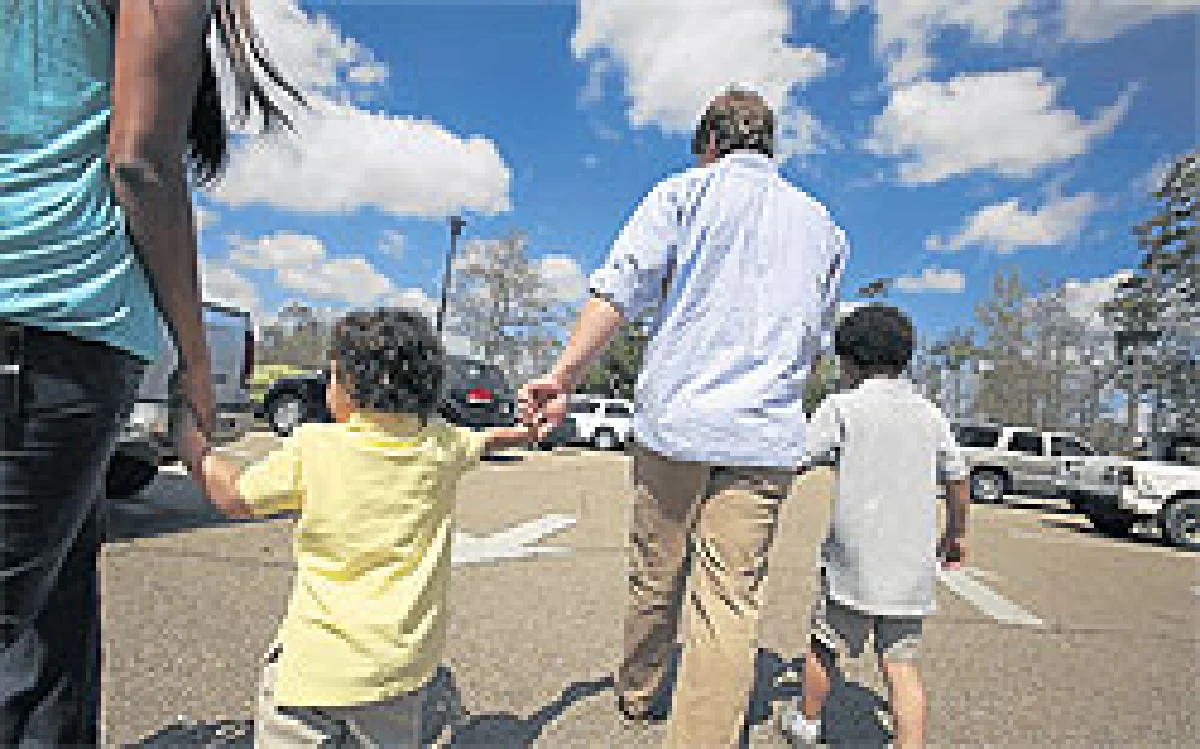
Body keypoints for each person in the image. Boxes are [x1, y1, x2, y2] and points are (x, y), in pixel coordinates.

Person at [0, 1, 299, 743]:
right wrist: (195, 358)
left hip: (39, 333)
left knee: (55, 630)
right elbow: (141, 160)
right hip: (53, 315)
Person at [520, 87, 850, 748]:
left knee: (656, 566)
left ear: (709, 144)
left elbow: (620, 287)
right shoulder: (824, 228)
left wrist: (563, 377)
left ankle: (640, 688)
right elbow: (814, 342)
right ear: (770, 146)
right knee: (730, 597)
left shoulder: (681, 194)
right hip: (763, 435)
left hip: (679, 422)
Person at [187, 308, 535, 748]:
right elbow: (485, 439)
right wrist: (528, 431)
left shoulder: (315, 447)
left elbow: (235, 496)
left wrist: (190, 442)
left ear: (349, 385)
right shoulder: (440, 445)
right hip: (400, 669)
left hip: (315, 666)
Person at [777, 304, 970, 748]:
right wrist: (956, 534)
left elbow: (796, 458)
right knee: (901, 666)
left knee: (824, 646)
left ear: (851, 361)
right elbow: (957, 481)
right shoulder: (929, 414)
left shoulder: (843, 406)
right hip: (909, 569)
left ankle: (807, 723)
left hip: (852, 565)